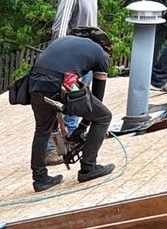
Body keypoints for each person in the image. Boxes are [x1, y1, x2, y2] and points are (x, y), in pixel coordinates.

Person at [28, 27, 117, 192]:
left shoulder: (64, 41)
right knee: (104, 116)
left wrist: (80, 126)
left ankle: (40, 179)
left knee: (42, 130)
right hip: (57, 84)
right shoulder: (100, 53)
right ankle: (88, 168)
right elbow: (97, 98)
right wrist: (82, 127)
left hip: (33, 84)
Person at [52, 0, 106, 139]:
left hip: (87, 60)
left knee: (79, 100)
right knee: (68, 100)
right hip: (71, 62)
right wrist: (60, 63)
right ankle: (56, 144)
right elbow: (60, 29)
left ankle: (72, 139)